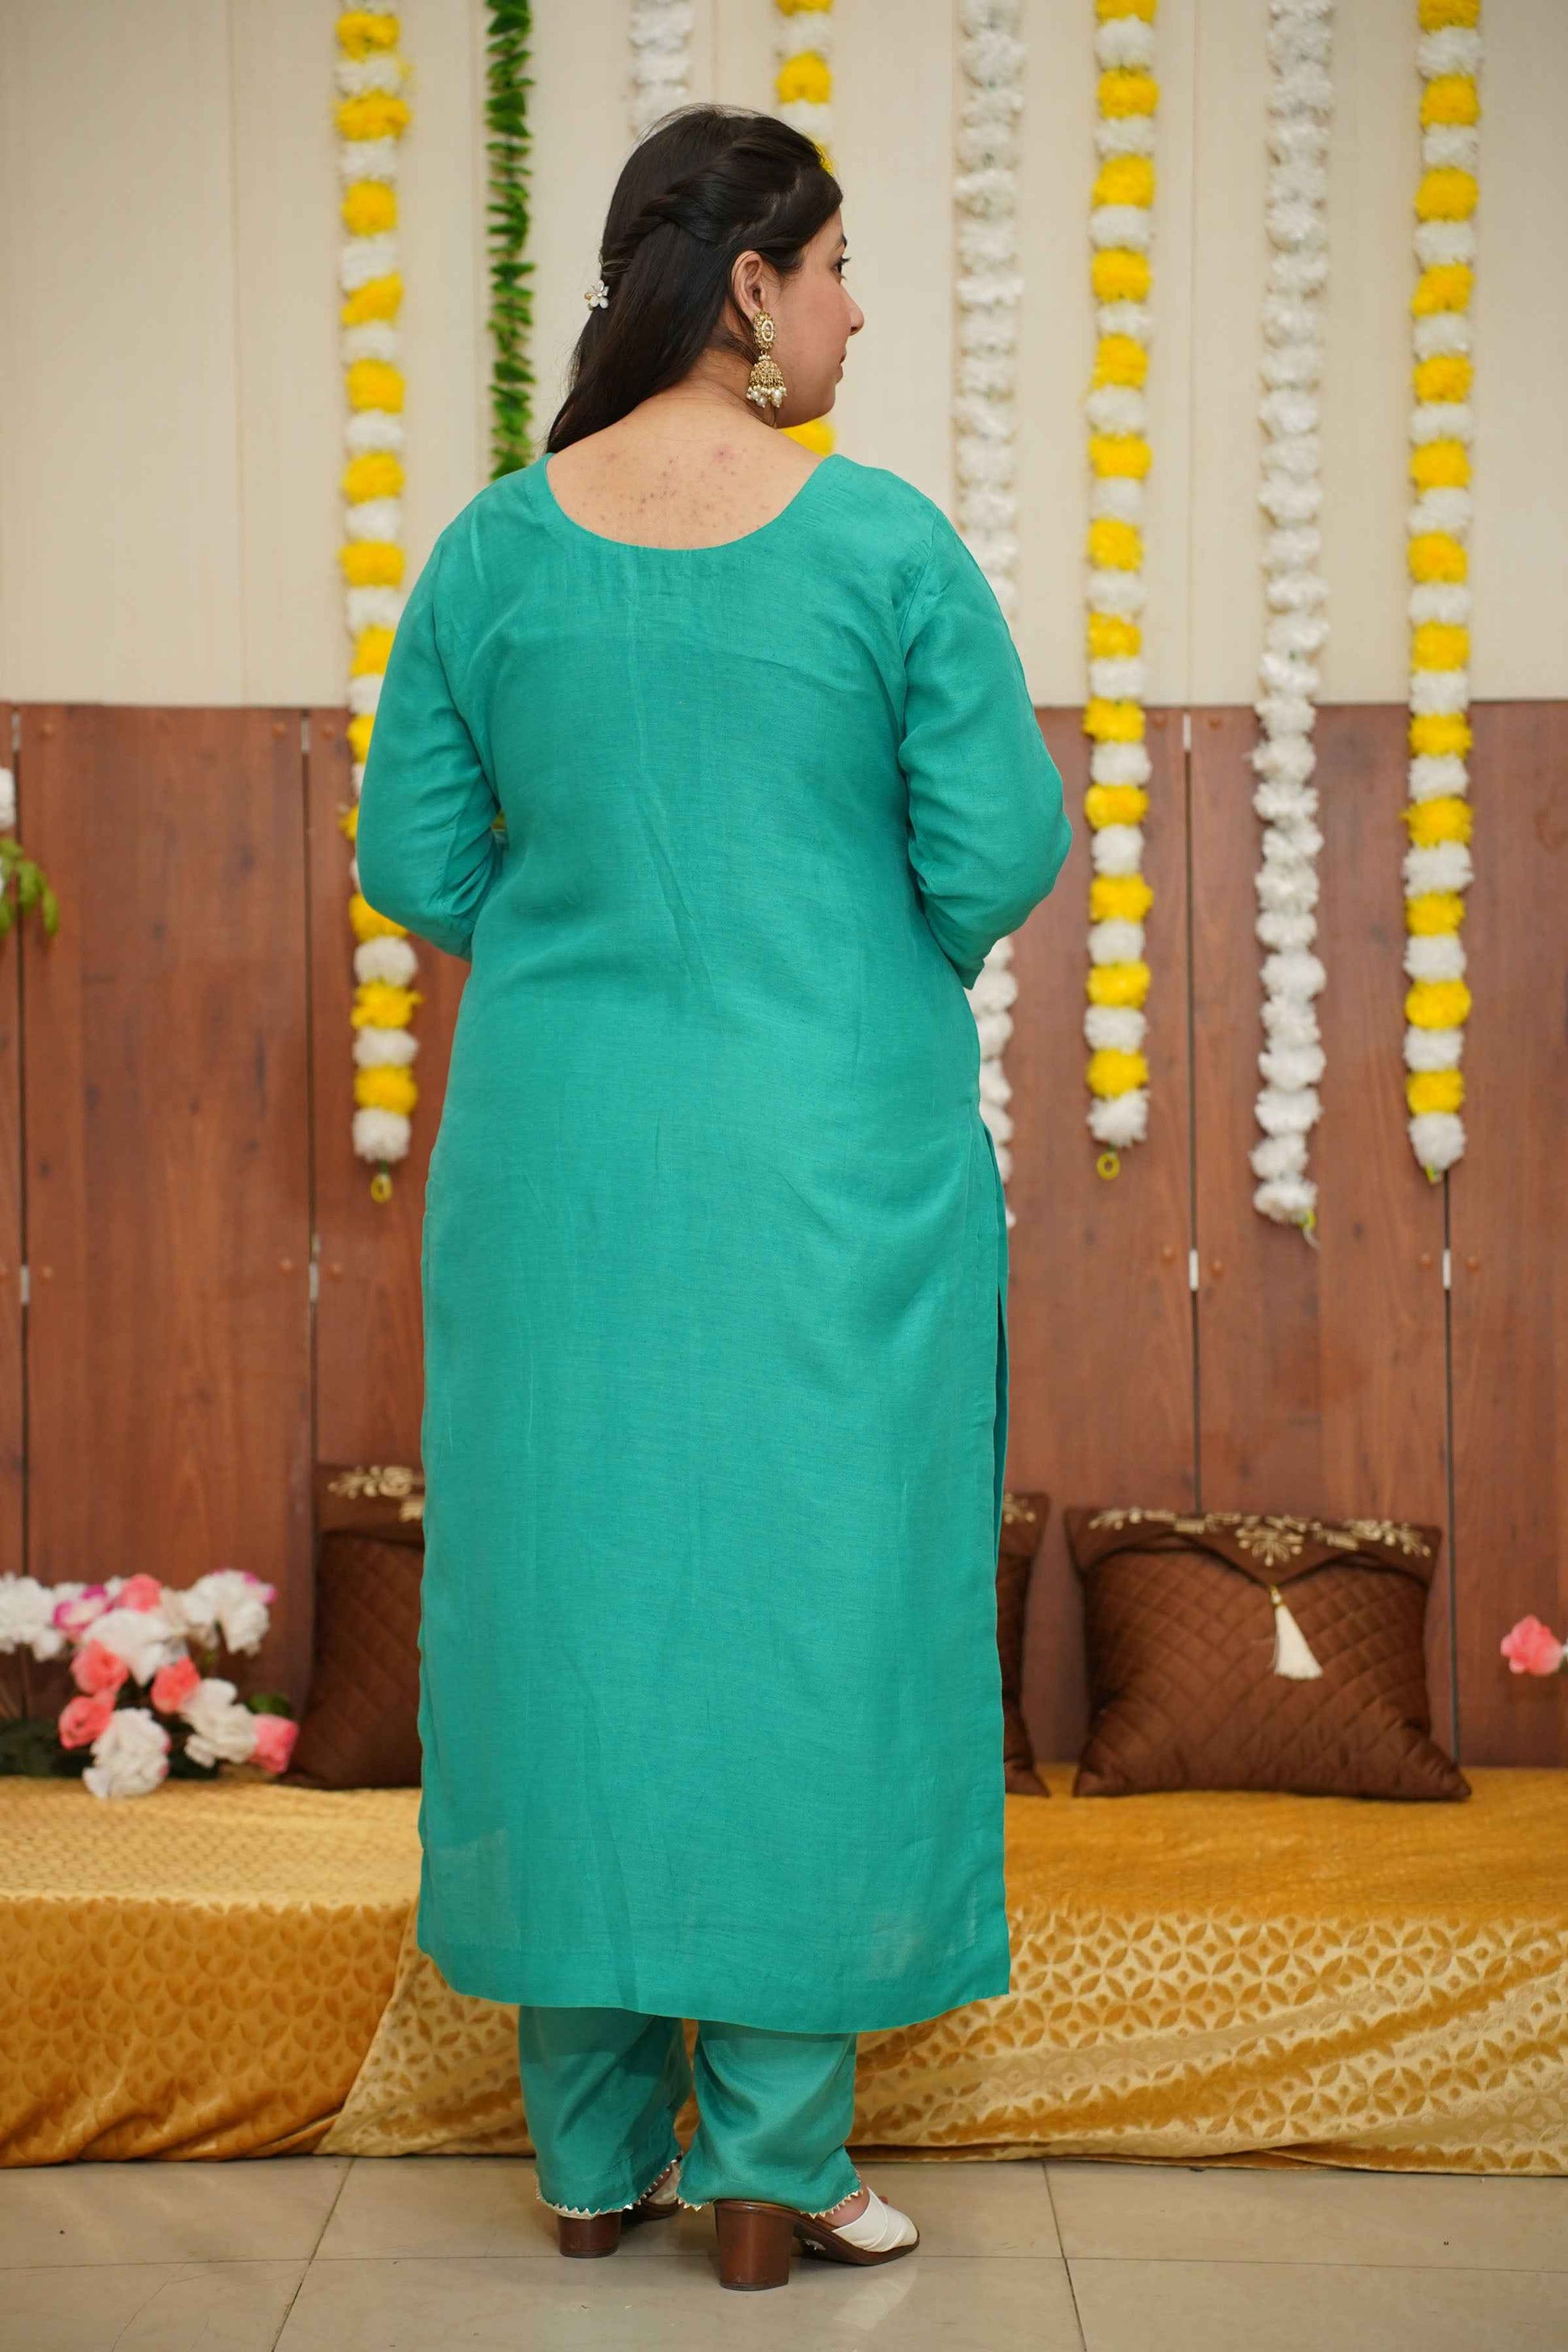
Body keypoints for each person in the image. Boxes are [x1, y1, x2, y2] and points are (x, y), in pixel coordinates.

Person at [355, 102, 1068, 2293]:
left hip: (558, 1167)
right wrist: (843, 959)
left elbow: (416, 864)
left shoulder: (492, 549)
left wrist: (592, 954)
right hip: (827, 1164)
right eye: (836, 267)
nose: (856, 310)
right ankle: (770, 2164)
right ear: (750, 286)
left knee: (564, 1608)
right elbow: (997, 848)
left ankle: (593, 2162)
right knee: (814, 1613)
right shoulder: (879, 547)